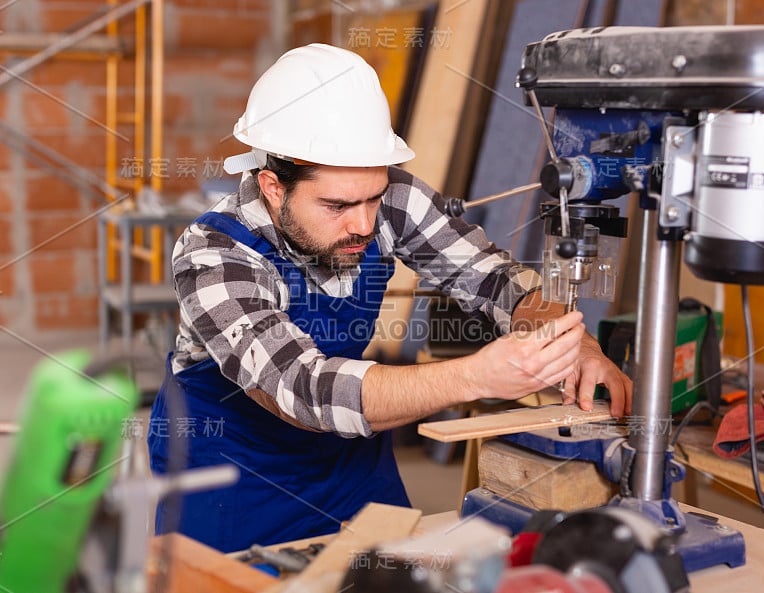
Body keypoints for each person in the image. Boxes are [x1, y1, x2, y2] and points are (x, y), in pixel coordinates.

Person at [148, 43, 632, 553]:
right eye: (337, 205)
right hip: (229, 475)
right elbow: (302, 388)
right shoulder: (214, 254)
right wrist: (474, 375)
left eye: (372, 199)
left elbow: (494, 280)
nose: (363, 223)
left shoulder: (389, 200)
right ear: (272, 185)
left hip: (348, 463)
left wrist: (573, 344)